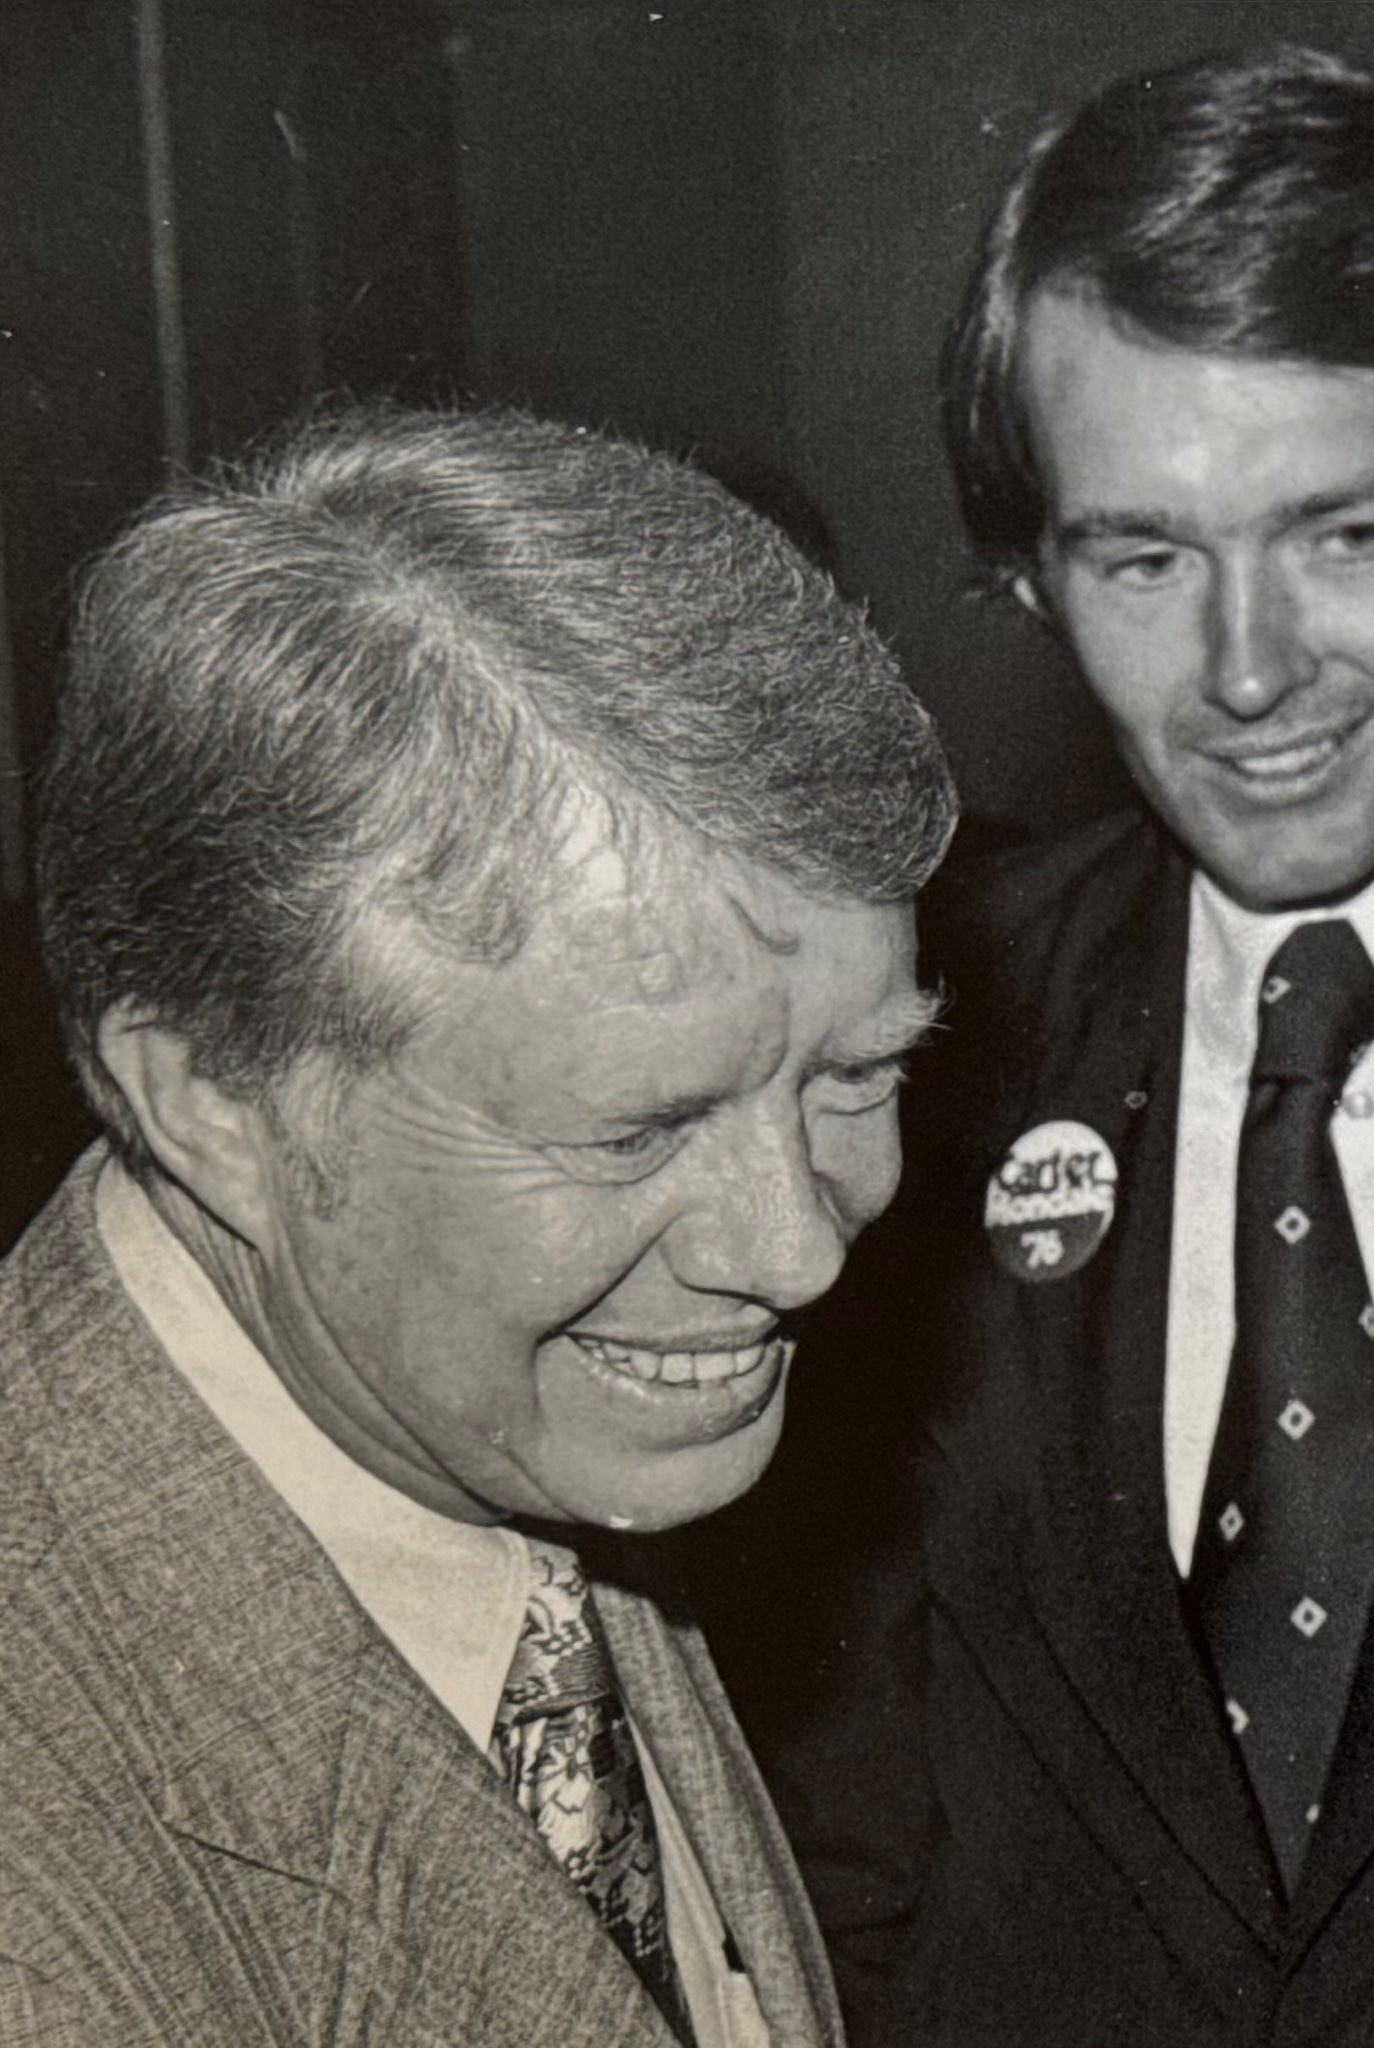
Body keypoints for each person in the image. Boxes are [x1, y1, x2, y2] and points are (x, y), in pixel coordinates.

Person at [733, 42, 1374, 2048]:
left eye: (1341, 535)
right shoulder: (913, 1036)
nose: (1243, 672)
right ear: (1033, 571)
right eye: (1140, 557)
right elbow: (835, 1849)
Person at [0, 404, 956, 2048]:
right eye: (638, 1127)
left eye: (856, 1074)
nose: (798, 1247)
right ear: (214, 1098)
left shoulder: (477, 1424)